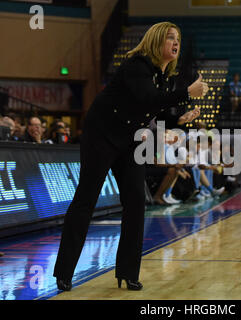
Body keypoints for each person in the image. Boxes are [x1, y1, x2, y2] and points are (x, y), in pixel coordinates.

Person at [53, 22, 208, 292]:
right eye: (170, 38)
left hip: (131, 140)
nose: (176, 43)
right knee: (85, 200)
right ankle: (64, 271)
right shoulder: (138, 65)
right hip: (101, 135)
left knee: (136, 202)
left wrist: (178, 119)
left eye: (178, 39)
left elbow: (151, 112)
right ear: (156, 41)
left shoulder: (163, 77)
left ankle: (127, 272)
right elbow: (147, 99)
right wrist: (185, 94)